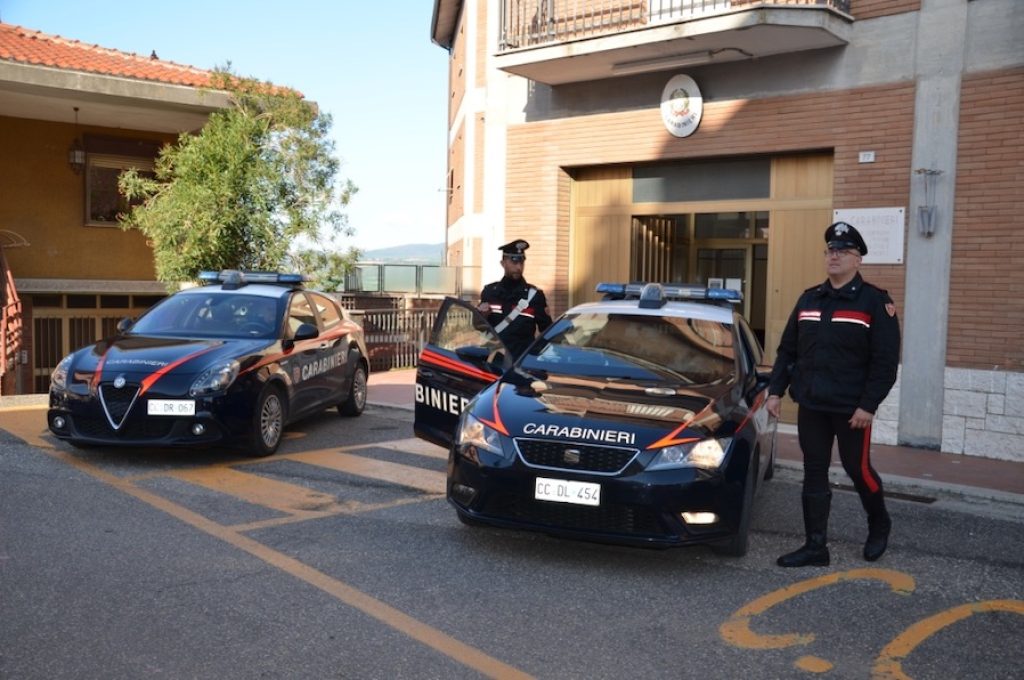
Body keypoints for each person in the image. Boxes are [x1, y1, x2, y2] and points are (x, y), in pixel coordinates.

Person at [766, 221, 901, 567]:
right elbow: (787, 350)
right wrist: (775, 391)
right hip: (812, 404)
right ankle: (815, 547)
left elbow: (885, 362)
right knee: (813, 471)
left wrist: (868, 406)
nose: (835, 256)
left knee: (858, 470)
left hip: (851, 409)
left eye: (843, 251)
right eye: (830, 250)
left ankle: (879, 523)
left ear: (858, 260)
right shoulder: (810, 298)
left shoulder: (875, 303)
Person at [478, 239, 552, 358]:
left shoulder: (534, 295)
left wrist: (537, 356)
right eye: (514, 262)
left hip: (522, 363)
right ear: (503, 263)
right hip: (495, 362)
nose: (519, 267)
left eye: (521, 263)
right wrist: (482, 316)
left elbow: (547, 331)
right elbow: (480, 328)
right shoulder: (490, 292)